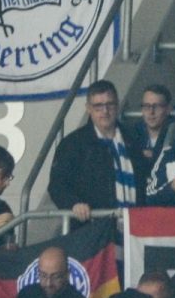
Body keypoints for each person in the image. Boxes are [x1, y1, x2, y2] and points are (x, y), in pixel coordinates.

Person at [50, 81, 143, 222]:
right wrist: (74, 204)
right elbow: (57, 185)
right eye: (98, 106)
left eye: (109, 104)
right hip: (94, 230)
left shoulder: (133, 141)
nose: (105, 111)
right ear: (88, 108)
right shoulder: (73, 144)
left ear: (117, 105)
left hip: (134, 230)